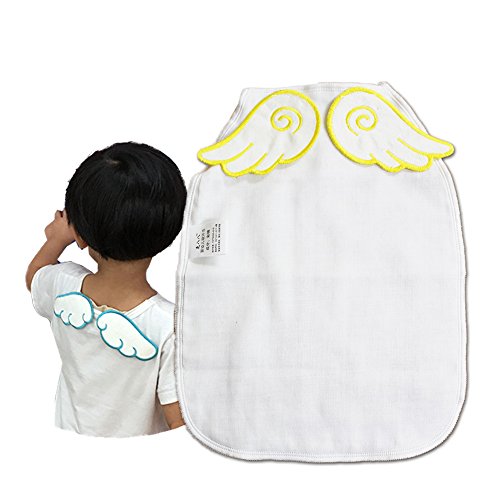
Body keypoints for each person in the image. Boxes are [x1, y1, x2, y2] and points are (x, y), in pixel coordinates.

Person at [25, 142, 186, 437]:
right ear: (171, 229)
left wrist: (57, 240)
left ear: (80, 236)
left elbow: (34, 276)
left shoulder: (62, 285)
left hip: (66, 444)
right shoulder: (171, 328)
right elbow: (179, 423)